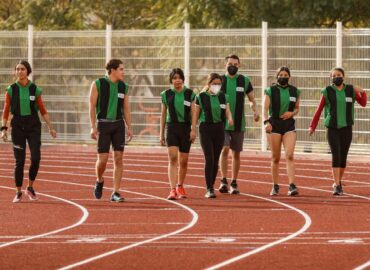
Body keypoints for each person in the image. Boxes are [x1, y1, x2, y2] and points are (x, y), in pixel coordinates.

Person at [1, 60, 57, 203]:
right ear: (15, 72)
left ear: (28, 71)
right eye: (17, 69)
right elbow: (6, 111)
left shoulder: (35, 89)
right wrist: (4, 129)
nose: (20, 71)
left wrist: (50, 127)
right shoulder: (11, 89)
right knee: (20, 161)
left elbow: (43, 110)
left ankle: (30, 187)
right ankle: (18, 191)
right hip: (18, 127)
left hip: (33, 126)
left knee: (36, 158)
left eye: (23, 69)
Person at [309, 67, 367, 195]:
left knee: (343, 157)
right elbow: (319, 110)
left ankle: (338, 182)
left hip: (346, 128)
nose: (336, 77)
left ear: (343, 76)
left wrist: (362, 91)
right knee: (336, 155)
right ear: (331, 78)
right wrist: (312, 126)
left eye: (338, 74)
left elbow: (363, 103)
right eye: (333, 75)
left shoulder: (350, 90)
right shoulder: (327, 91)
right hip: (332, 128)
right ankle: (336, 184)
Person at [89, 59, 132, 203]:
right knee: (102, 160)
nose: (123, 72)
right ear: (112, 70)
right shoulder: (98, 84)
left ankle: (116, 192)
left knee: (118, 158)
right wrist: (92, 126)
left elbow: (126, 108)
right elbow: (91, 106)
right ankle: (99, 180)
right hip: (103, 124)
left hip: (118, 125)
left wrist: (129, 127)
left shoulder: (123, 86)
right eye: (121, 69)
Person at [219, 54, 259, 194]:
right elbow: (208, 95)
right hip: (221, 123)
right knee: (224, 149)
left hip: (238, 123)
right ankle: (223, 180)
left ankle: (234, 182)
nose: (232, 66)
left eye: (235, 64)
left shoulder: (244, 80)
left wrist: (255, 111)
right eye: (230, 63)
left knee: (236, 153)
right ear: (225, 65)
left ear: (239, 66)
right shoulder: (219, 80)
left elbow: (252, 99)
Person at [192, 73, 233, 198]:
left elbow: (227, 110)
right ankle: (209, 188)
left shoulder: (223, 97)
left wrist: (230, 119)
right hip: (205, 129)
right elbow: (195, 115)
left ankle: (212, 185)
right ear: (209, 84)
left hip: (219, 129)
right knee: (209, 158)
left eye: (219, 84)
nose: (217, 86)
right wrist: (193, 129)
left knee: (215, 160)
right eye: (214, 84)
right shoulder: (201, 96)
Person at [263, 66, 300, 196]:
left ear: (289, 77)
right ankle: (275, 185)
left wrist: (292, 113)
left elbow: (297, 108)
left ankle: (292, 185)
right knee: (275, 157)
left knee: (289, 155)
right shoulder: (270, 90)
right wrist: (266, 122)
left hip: (289, 124)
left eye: (285, 75)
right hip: (274, 124)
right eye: (281, 75)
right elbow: (265, 109)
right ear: (277, 76)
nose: (283, 77)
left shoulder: (295, 91)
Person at [160, 68, 195, 200]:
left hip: (185, 128)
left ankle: (180, 186)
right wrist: (161, 134)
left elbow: (193, 114)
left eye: (179, 77)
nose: (177, 80)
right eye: (174, 78)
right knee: (173, 158)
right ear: (171, 80)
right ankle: (172, 189)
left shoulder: (190, 94)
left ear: (183, 79)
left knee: (184, 161)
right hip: (172, 128)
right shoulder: (166, 94)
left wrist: (193, 129)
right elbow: (163, 115)